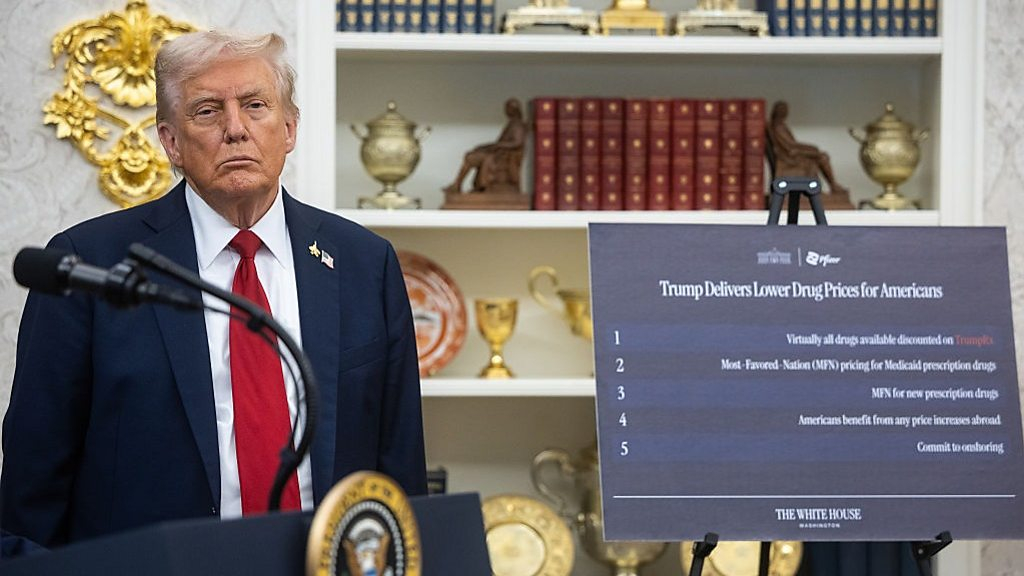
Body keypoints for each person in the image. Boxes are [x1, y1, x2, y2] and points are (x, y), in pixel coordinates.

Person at [0, 30, 426, 549]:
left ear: (289, 128)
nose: (236, 129)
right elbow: (33, 484)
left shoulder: (364, 263)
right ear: (171, 142)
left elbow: (401, 468)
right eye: (207, 111)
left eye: (256, 106)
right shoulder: (89, 263)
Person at [442, 98, 526, 194]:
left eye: (508, 108)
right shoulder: (512, 123)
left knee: (470, 158)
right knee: (472, 154)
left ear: (513, 109)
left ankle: (457, 185)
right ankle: (457, 185)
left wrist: (498, 145)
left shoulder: (517, 125)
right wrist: (486, 146)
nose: (506, 110)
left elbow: (517, 143)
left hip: (501, 156)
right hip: (497, 153)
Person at [767, 100, 849, 197]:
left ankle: (829, 185)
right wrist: (812, 150)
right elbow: (790, 146)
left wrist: (811, 148)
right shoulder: (778, 127)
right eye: (784, 110)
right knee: (822, 157)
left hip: (793, 153)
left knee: (820, 155)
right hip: (790, 157)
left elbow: (793, 144)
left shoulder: (781, 126)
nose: (786, 113)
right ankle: (831, 186)